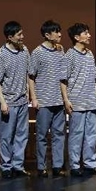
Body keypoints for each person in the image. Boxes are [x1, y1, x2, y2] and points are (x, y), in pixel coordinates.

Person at [62, 22, 96, 177]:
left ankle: (90, 164)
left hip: (90, 101)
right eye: (85, 33)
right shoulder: (70, 55)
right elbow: (63, 80)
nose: (89, 35)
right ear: (76, 37)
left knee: (91, 135)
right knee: (76, 134)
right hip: (77, 102)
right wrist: (66, 100)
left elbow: (94, 76)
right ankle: (74, 165)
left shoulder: (89, 54)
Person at [0, 20, 33, 179]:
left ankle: (18, 166)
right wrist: (2, 102)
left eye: (22, 33)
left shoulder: (24, 50)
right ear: (10, 37)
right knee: (6, 136)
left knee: (22, 135)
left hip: (22, 101)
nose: (22, 37)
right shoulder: (1, 54)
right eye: (19, 34)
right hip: (8, 102)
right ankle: (6, 166)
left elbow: (28, 74)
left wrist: (29, 93)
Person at [28, 20, 68, 178]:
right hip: (44, 101)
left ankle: (57, 166)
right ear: (47, 34)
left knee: (59, 134)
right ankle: (41, 166)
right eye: (56, 31)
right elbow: (31, 76)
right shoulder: (37, 52)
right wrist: (34, 97)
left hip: (59, 100)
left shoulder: (60, 50)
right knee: (42, 135)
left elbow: (63, 75)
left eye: (59, 31)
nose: (59, 34)